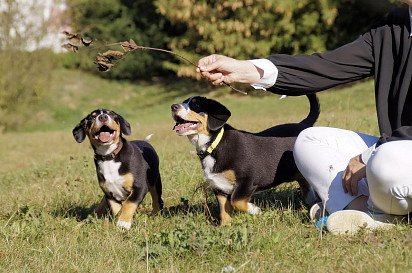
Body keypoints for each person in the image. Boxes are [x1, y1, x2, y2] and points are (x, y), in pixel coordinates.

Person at [196, 1, 412, 235]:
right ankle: (367, 214)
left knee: (386, 160)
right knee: (307, 141)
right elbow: (329, 66)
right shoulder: (397, 24)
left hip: (395, 153)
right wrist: (246, 70)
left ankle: (366, 205)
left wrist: (370, 155)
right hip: (396, 151)